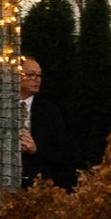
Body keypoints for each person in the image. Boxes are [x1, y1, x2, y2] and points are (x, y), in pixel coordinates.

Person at [18, 54, 75, 190]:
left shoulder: (50, 111)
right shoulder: (1, 107)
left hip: (38, 186)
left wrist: (36, 149)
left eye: (39, 75)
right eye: (31, 75)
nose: (37, 80)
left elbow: (63, 152)